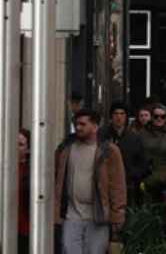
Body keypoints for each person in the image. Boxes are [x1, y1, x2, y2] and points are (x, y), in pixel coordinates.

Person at [54, 109, 126, 254]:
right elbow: (56, 178)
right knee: (68, 249)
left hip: (98, 216)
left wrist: (117, 215)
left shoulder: (109, 151)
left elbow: (117, 185)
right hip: (70, 214)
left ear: (95, 126)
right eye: (76, 124)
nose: (78, 127)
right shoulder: (66, 148)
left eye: (82, 124)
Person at [138, 103, 166, 193]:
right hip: (144, 178)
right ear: (151, 117)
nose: (159, 119)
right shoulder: (142, 133)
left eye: (162, 116)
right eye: (156, 116)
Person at [17, 128, 31, 254]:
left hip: (25, 229)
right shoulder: (0, 169)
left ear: (28, 149)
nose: (16, 147)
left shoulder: (32, 171)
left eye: (20, 144)